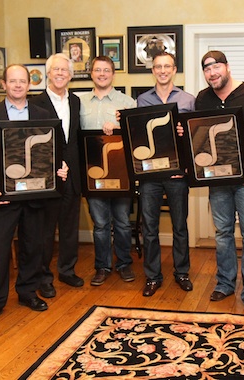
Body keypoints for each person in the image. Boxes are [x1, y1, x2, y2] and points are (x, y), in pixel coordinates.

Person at [0, 64, 68, 327]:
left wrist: (61, 168)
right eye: (12, 81)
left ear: (29, 85)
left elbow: (56, 149)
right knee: (1, 249)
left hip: (37, 193)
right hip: (4, 195)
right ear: (4, 84)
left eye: (22, 81)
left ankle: (27, 292)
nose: (17, 85)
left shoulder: (41, 113)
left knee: (33, 246)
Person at [195, 51, 244, 316]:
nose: (212, 72)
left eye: (216, 66)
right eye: (206, 69)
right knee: (222, 233)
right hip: (217, 179)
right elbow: (200, 138)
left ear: (227, 67)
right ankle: (225, 283)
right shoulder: (202, 99)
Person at [136, 52, 195, 297]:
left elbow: (195, 138)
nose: (162, 70)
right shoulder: (141, 100)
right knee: (149, 228)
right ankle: (152, 276)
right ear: (153, 70)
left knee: (179, 226)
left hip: (176, 175)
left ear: (174, 69)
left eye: (167, 66)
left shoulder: (188, 99)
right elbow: (138, 135)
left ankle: (182, 273)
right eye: (158, 66)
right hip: (150, 176)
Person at [29, 53, 83, 298]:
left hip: (72, 175)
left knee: (70, 226)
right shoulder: (35, 103)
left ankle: (67, 270)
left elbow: (74, 138)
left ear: (71, 75)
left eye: (65, 70)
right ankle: (43, 277)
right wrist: (52, 166)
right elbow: (33, 142)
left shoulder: (76, 101)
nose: (60, 73)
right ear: (47, 73)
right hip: (48, 177)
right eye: (56, 70)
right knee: (45, 230)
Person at [79, 56, 136, 286]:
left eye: (106, 70)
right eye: (97, 70)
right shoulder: (80, 102)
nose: (102, 74)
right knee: (100, 224)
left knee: (122, 222)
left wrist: (120, 126)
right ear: (91, 73)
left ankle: (124, 264)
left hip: (120, 172)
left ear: (113, 74)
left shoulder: (127, 103)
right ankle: (102, 267)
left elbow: (134, 134)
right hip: (92, 173)